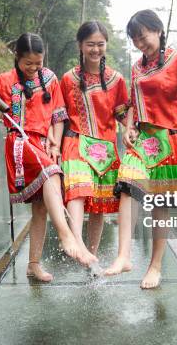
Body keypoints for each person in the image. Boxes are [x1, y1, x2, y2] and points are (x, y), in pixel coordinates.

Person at [0, 33, 97, 282]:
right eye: (28, 64)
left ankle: (33, 265)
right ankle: (68, 236)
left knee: (41, 207)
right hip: (20, 143)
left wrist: (54, 142)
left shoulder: (50, 79)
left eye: (38, 63)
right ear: (17, 58)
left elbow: (58, 115)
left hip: (44, 144)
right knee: (52, 174)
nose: (33, 69)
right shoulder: (5, 81)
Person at [105, 10, 177, 288]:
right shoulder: (137, 67)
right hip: (143, 138)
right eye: (136, 40)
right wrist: (128, 126)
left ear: (158, 30)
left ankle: (155, 267)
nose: (141, 44)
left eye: (144, 37)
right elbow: (132, 101)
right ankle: (124, 255)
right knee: (126, 184)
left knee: (159, 206)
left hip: (169, 139)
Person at [60, 21, 130, 258]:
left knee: (99, 205)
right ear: (80, 45)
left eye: (100, 44)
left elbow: (122, 112)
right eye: (90, 44)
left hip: (104, 147)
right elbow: (59, 114)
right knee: (77, 191)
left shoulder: (117, 79)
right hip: (75, 141)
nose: (95, 49)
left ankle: (91, 254)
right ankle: (77, 243)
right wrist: (53, 143)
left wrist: (132, 129)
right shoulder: (68, 79)